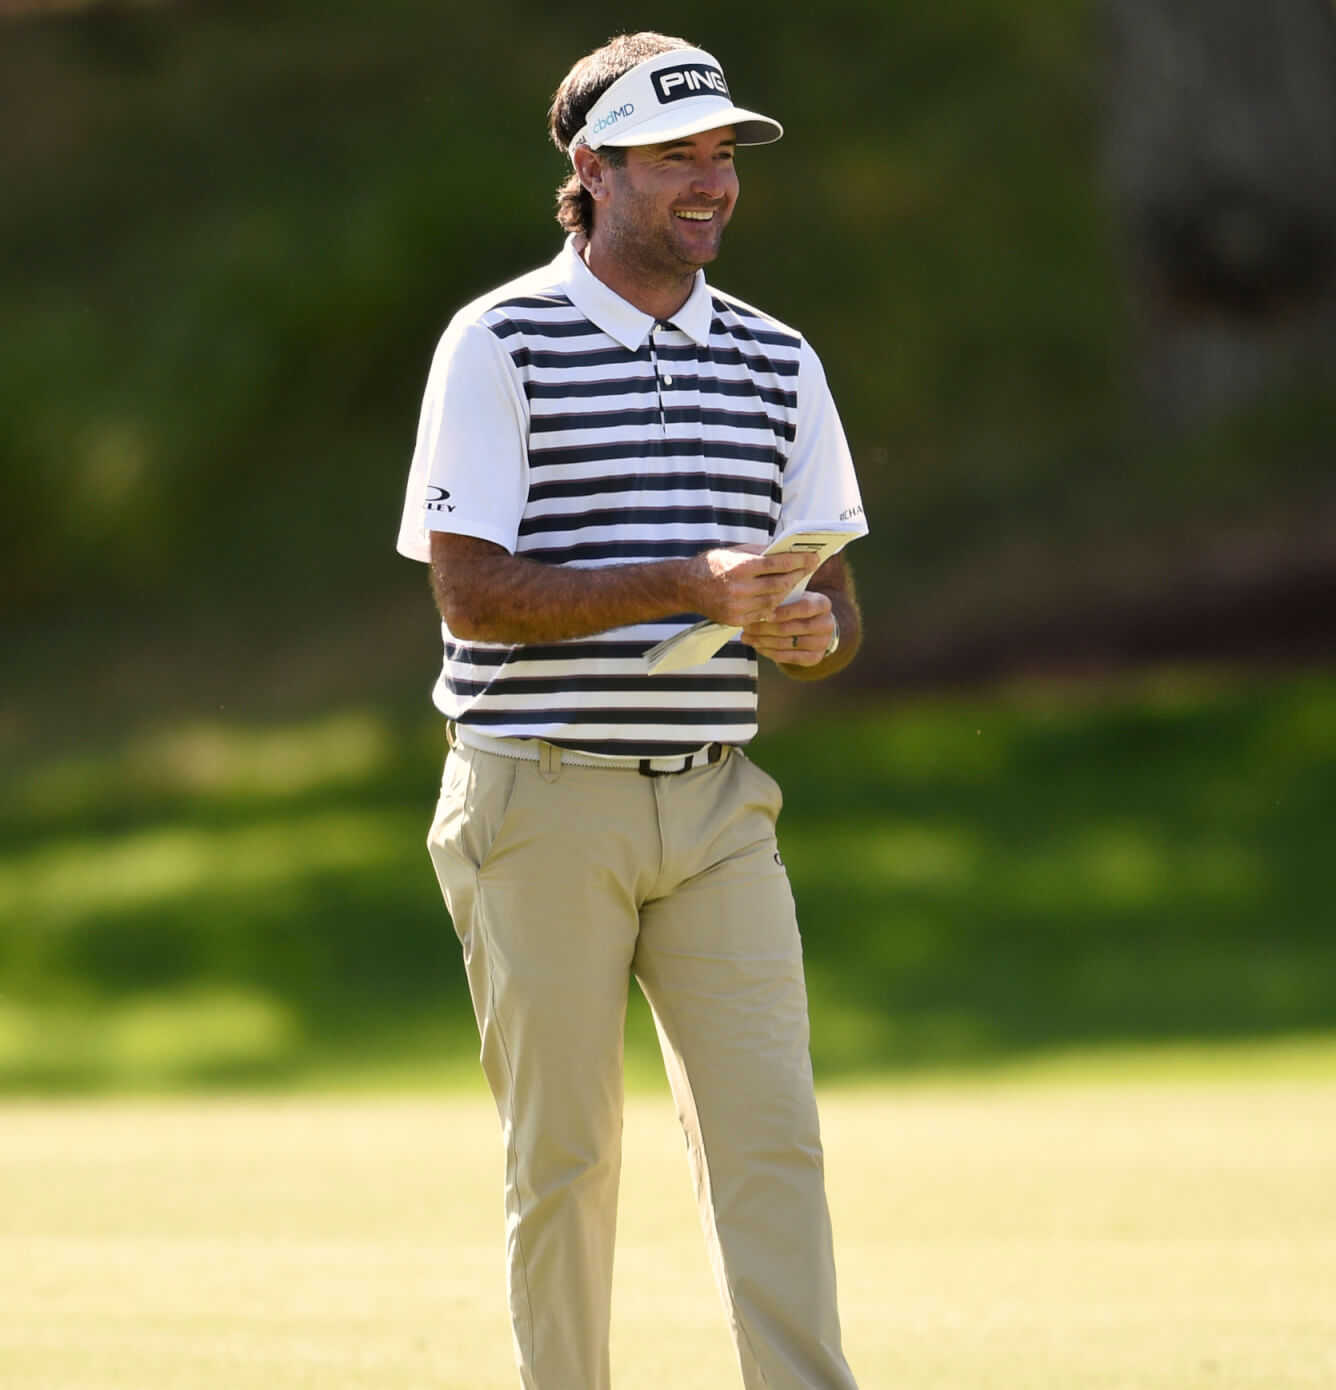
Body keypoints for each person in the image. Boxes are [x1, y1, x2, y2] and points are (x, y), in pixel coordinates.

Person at [396, 33, 867, 1390]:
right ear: (592, 171)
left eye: (723, 154)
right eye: (677, 158)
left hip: (717, 798)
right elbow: (472, 595)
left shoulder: (779, 361)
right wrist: (692, 585)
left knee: (772, 1137)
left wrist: (805, 629)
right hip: (538, 791)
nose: (712, 184)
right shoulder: (499, 343)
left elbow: (832, 609)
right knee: (567, 1157)